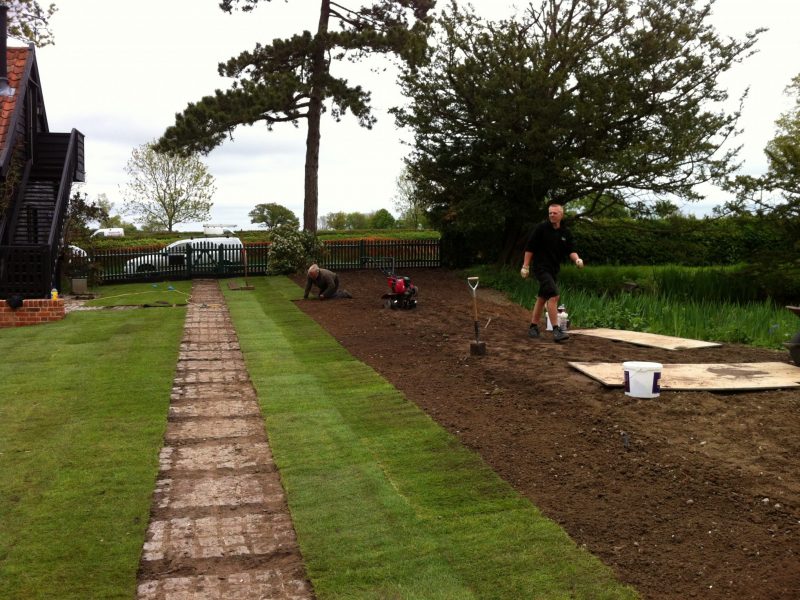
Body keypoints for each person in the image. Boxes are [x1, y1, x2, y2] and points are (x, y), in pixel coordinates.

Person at [520, 203, 584, 342]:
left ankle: (533, 327)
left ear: (561, 214)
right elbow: (530, 247)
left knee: (542, 297)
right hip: (541, 268)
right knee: (554, 296)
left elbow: (571, 250)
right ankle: (556, 331)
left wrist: (577, 260)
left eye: (555, 213)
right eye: (550, 213)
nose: (552, 215)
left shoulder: (565, 232)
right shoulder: (541, 228)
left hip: (553, 270)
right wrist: (525, 266)